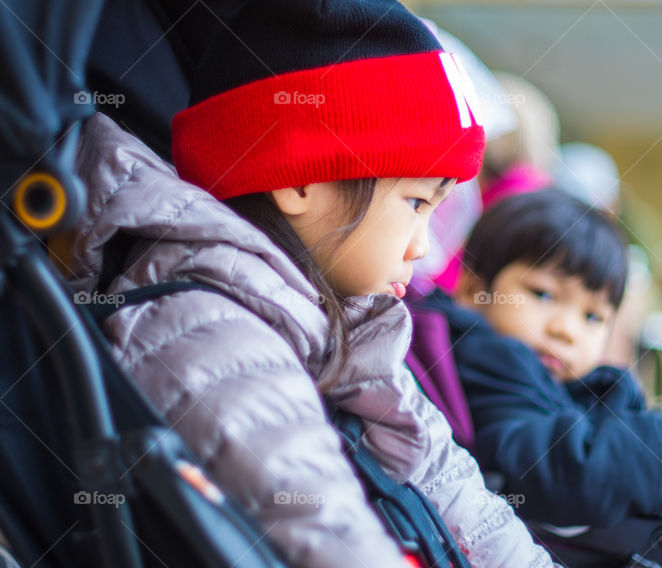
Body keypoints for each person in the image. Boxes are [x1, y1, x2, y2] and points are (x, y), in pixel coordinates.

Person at [63, 1, 555, 567]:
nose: (422, 247)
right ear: (299, 178)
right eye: (416, 202)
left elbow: (463, 497)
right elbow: (325, 533)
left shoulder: (354, 327)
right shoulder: (209, 330)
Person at [415, 189, 662, 567]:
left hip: (612, 536)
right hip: (569, 545)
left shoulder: (545, 376)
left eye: (592, 316)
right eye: (542, 294)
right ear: (473, 290)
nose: (565, 329)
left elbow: (599, 429)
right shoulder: (489, 362)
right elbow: (562, 468)